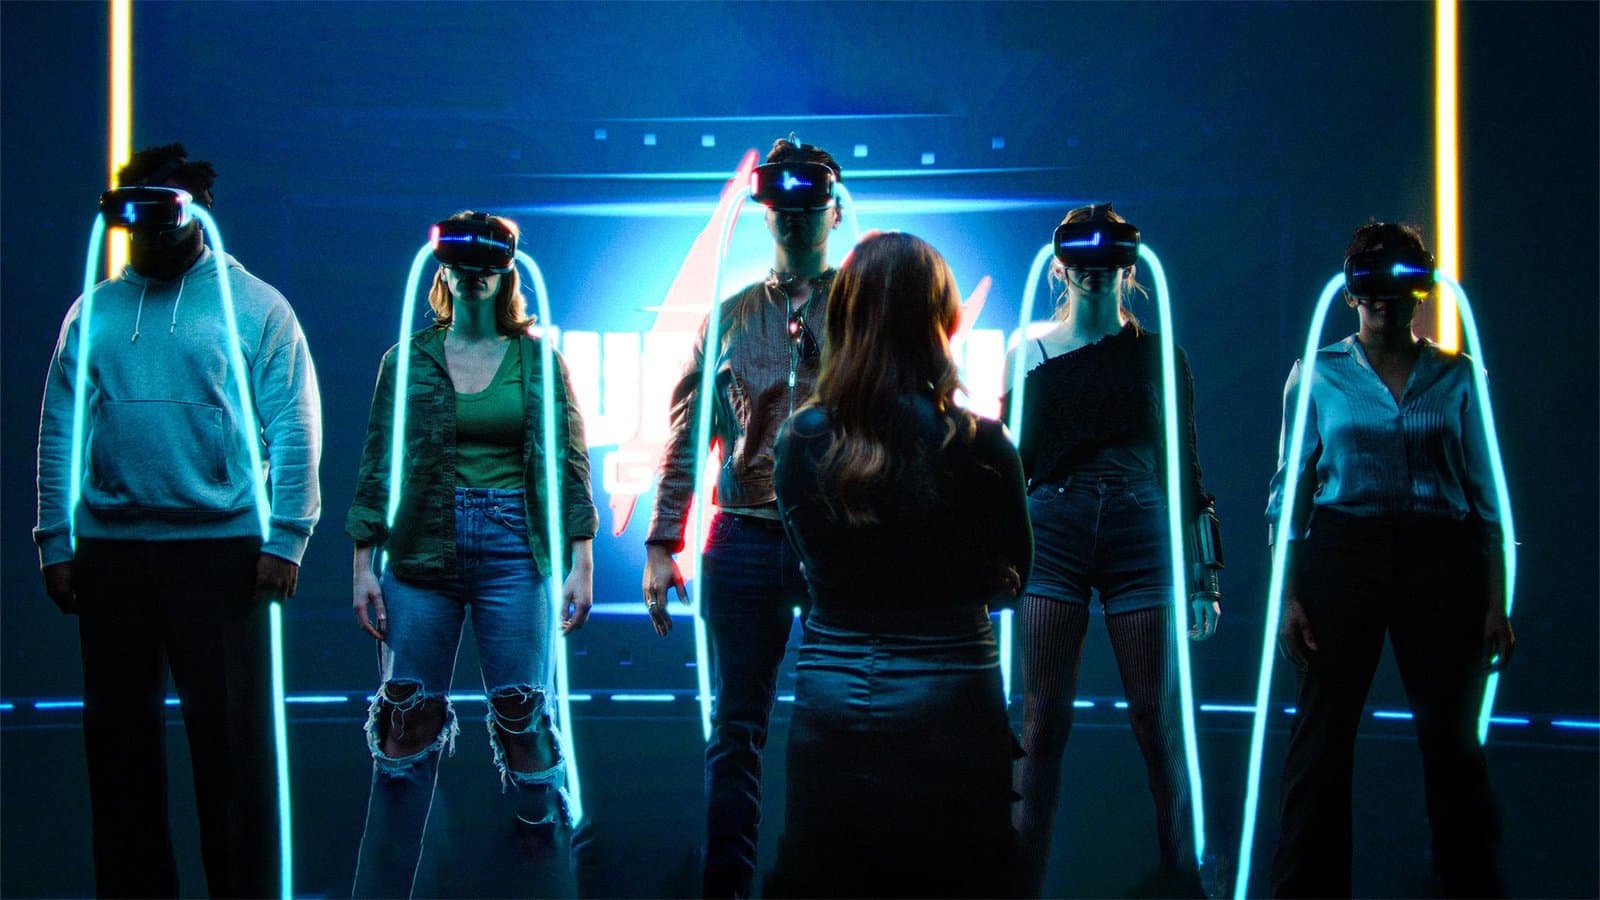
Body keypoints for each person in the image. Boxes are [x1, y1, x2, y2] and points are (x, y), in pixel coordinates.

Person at [33, 143, 322, 898]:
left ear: (197, 213)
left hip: (222, 554)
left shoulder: (256, 306)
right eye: (136, 219)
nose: (150, 232)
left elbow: (294, 424)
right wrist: (54, 542)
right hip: (110, 554)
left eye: (164, 215)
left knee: (231, 754)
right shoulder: (92, 311)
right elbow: (59, 429)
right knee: (118, 754)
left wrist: (288, 536)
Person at [766, 230, 1031, 897]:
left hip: (832, 699)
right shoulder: (985, 444)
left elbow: (805, 564)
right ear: (940, 320)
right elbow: (1013, 581)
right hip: (955, 700)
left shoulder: (799, 441)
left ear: (845, 317)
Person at [346, 211, 598, 898]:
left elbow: (569, 462)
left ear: (506, 272)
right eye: (461, 263)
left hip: (514, 547)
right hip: (420, 550)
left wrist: (581, 560)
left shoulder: (538, 361)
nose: (474, 274)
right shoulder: (406, 360)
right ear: (444, 271)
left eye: (488, 263)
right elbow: (377, 461)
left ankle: (548, 888)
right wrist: (363, 563)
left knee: (525, 725)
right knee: (404, 727)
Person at [1267, 222, 1512, 898]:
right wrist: (1287, 596)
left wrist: (1496, 604)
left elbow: (1487, 497)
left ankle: (1469, 886)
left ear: (1421, 289)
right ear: (1351, 291)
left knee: (1452, 741)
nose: (1384, 297)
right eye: (1370, 282)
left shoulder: (1456, 375)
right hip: (1343, 551)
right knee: (1320, 740)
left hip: (1442, 558)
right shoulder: (1317, 374)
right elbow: (1289, 493)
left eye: (1401, 280)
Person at [641, 136, 844, 897]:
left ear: (832, 210)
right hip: (744, 536)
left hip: (837, 541)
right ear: (765, 213)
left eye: (808, 204)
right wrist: (662, 539)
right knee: (736, 732)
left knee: (835, 726)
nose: (794, 217)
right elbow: (687, 434)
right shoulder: (728, 318)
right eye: (780, 205)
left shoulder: (863, 311)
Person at [1002, 205, 1221, 897]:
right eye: (1083, 263)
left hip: (1140, 531)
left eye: (1107, 263)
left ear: (1126, 269)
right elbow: (1011, 468)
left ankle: (1182, 882)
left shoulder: (1160, 355)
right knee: (1041, 724)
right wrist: (997, 556)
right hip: (1052, 530)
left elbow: (1185, 466)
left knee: (1158, 722)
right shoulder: (1029, 352)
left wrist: (1204, 575)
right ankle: (1019, 885)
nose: (1094, 274)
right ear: (1062, 268)